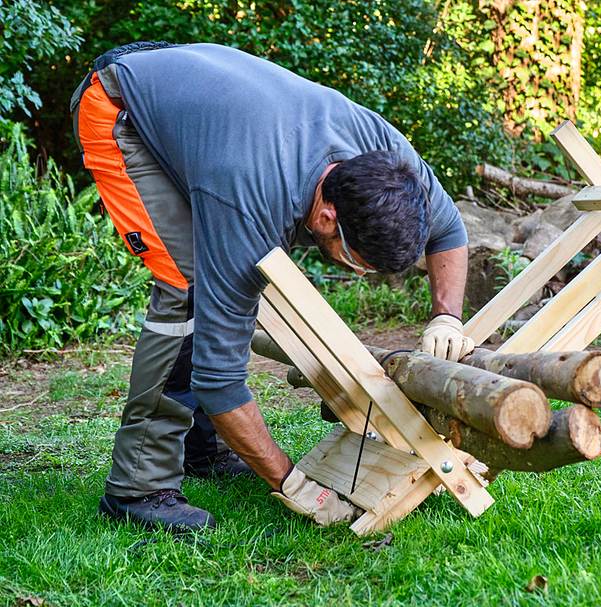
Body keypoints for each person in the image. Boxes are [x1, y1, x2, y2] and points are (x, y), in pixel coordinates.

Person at [70, 42, 476, 531]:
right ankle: (138, 487)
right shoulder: (248, 198)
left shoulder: (384, 159)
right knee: (188, 289)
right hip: (120, 108)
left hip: (206, 111)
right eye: (360, 262)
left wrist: (447, 314)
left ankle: (202, 450)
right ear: (328, 216)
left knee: (213, 288)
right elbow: (219, 380)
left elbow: (448, 229)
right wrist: (292, 484)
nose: (359, 274)